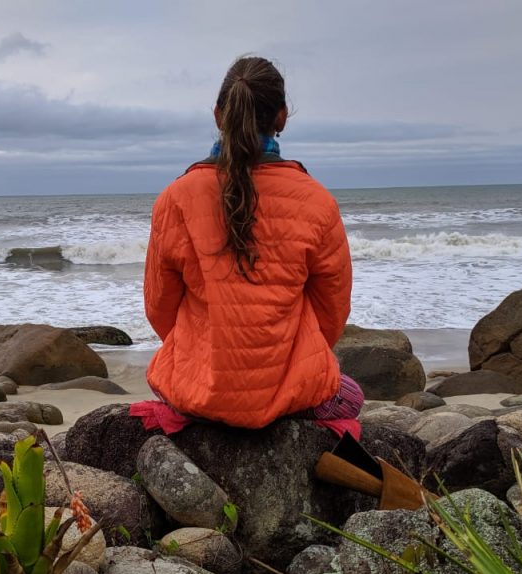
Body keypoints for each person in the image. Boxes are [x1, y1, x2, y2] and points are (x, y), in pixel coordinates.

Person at [138, 55, 361, 434]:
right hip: (288, 391)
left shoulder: (176, 198)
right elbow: (332, 311)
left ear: (217, 115)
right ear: (282, 117)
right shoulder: (317, 200)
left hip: (199, 393)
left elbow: (160, 308)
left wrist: (202, 354)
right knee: (351, 396)